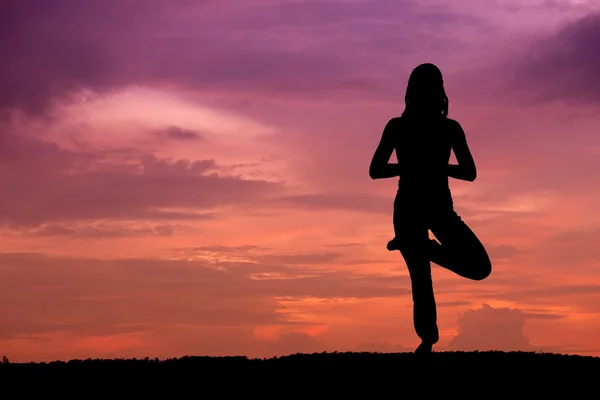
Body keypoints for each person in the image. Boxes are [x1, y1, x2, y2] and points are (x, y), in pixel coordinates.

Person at [368, 63, 492, 354]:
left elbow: (469, 172)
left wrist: (434, 167)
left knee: (479, 266)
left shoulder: (449, 128)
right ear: (440, 91)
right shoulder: (399, 126)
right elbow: (376, 169)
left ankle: (425, 249)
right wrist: (413, 166)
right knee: (420, 279)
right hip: (410, 208)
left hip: (439, 209)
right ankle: (427, 342)